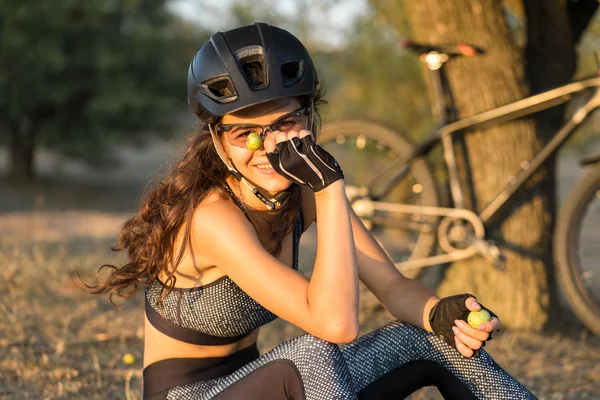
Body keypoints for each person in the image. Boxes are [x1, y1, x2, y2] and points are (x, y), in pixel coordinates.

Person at [76, 22, 536, 400]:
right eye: (246, 135)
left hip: (270, 386)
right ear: (217, 141)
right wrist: (330, 185)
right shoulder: (212, 218)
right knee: (313, 353)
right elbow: (335, 324)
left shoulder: (305, 191)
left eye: (286, 123)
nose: (270, 148)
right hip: (192, 397)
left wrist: (440, 313)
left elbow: (392, 286)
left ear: (309, 118)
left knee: (432, 339)